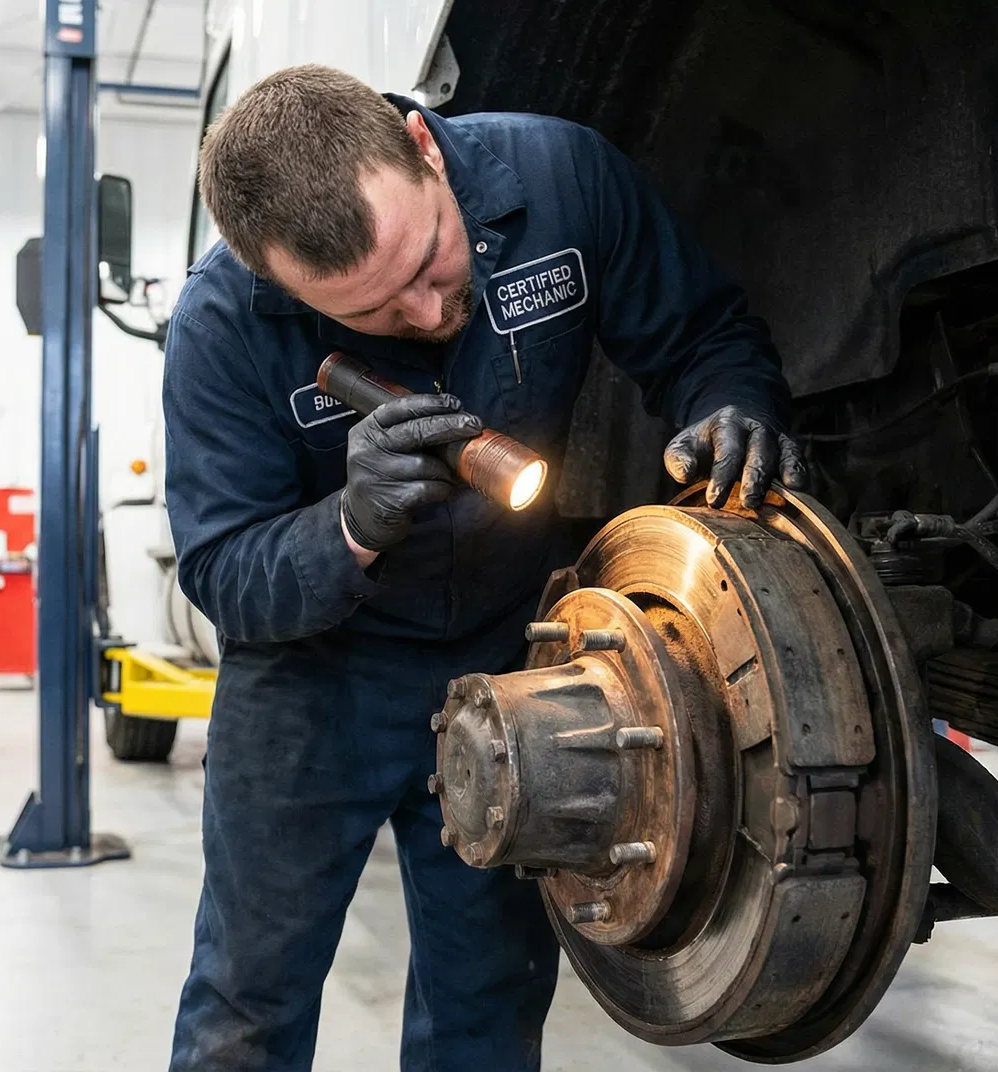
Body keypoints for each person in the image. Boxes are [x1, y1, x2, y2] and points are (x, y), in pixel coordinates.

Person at [162, 64, 806, 1071]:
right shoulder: (220, 328)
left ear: (423, 146)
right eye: (373, 313)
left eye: (427, 261)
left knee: (491, 990)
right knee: (249, 998)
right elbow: (221, 569)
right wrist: (348, 528)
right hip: (313, 680)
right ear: (281, 285)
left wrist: (733, 402)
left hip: (510, 649)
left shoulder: (561, 181)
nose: (424, 313)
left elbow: (703, 334)